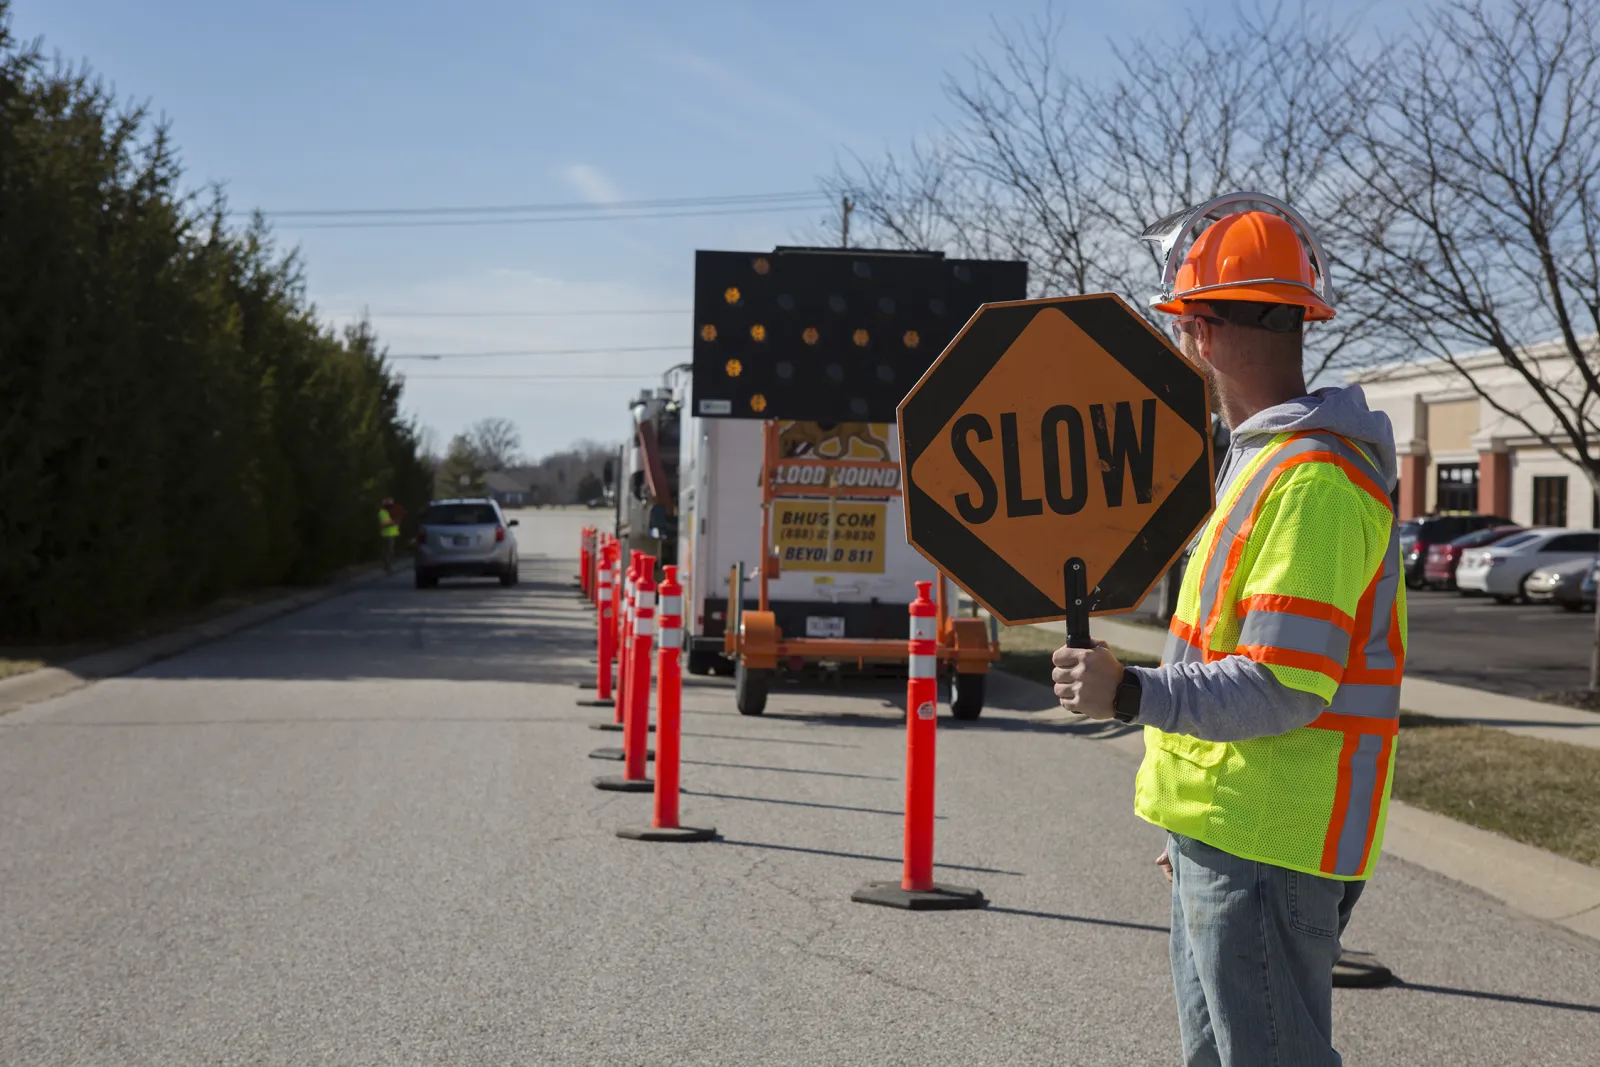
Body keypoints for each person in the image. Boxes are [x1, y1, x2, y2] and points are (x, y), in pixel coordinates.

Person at [1051, 193, 1405, 1067]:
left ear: (1200, 333)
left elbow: (1283, 683)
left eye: (1182, 323)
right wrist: (1188, 832)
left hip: (1265, 845)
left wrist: (1130, 691)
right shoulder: (1267, 467)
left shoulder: (1312, 484)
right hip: (1230, 837)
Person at [377, 497, 400, 573]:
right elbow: (383, 523)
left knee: (391, 551)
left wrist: (396, 522)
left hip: (392, 533)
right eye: (389, 503)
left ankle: (388, 565)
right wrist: (393, 522)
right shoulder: (382, 512)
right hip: (386, 534)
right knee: (388, 550)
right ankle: (387, 566)